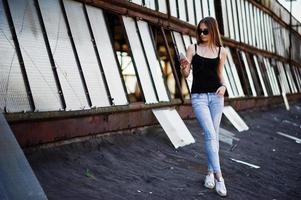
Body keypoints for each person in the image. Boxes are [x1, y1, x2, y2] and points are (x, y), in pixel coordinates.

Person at [180, 17, 228, 197]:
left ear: (213, 31)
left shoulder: (222, 51)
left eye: (205, 31)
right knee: (209, 133)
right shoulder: (193, 48)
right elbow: (186, 74)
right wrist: (184, 66)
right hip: (199, 97)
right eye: (199, 31)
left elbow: (220, 74)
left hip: (216, 97)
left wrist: (224, 87)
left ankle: (209, 172)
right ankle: (219, 177)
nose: (201, 34)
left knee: (213, 135)